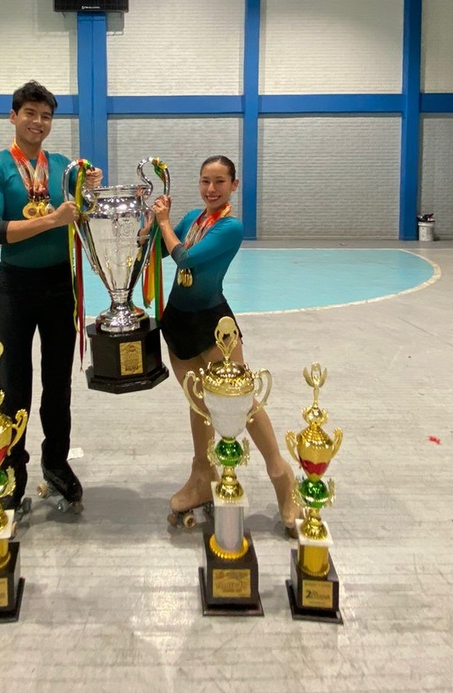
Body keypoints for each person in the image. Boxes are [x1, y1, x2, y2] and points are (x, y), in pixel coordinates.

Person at [151, 155, 301, 534]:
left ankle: (282, 476)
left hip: (214, 325)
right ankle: (202, 475)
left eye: (219, 181)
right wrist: (149, 220)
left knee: (242, 402)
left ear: (234, 185)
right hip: (178, 321)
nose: (211, 189)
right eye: (205, 181)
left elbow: (185, 257)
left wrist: (165, 224)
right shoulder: (193, 218)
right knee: (198, 403)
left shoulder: (231, 227)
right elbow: (157, 246)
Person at [0, 80, 102, 514]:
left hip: (60, 286)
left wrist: (90, 188)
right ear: (14, 116)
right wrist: (52, 219)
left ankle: (56, 462)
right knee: (14, 385)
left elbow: (84, 211)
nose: (38, 122)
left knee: (58, 382)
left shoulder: (63, 166)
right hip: (16, 288)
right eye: (30, 113)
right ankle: (13, 469)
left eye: (46, 116)